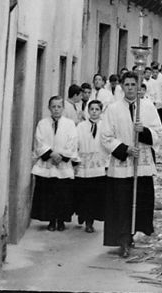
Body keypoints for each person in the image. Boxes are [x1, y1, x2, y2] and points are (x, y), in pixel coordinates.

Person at [100, 72, 162, 257]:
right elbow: (105, 137)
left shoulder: (148, 107)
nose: (130, 88)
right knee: (121, 203)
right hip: (121, 165)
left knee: (139, 202)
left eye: (133, 84)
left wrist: (143, 132)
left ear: (138, 86)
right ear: (121, 86)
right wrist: (125, 149)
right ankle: (123, 239)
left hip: (142, 164)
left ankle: (134, 233)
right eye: (126, 84)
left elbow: (158, 132)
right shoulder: (113, 109)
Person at [30, 96, 78, 232]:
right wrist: (51, 154)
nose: (56, 109)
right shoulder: (42, 123)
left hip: (62, 164)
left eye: (59, 107)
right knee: (48, 194)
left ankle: (61, 220)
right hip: (48, 163)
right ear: (49, 108)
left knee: (62, 194)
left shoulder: (69, 124)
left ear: (63, 108)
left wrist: (62, 156)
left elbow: (73, 141)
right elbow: (39, 141)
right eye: (53, 107)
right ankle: (51, 220)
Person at [72, 100, 108, 233]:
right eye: (91, 109)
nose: (94, 112)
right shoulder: (81, 126)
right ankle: (82, 215)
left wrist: (107, 163)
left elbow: (108, 144)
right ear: (88, 111)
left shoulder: (105, 126)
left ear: (101, 111)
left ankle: (90, 221)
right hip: (84, 164)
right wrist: (75, 160)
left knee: (94, 195)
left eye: (97, 109)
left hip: (98, 165)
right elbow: (74, 142)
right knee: (83, 194)